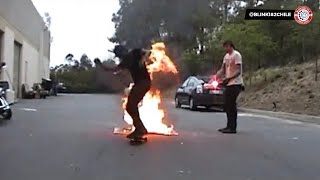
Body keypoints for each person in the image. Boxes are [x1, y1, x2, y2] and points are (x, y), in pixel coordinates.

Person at [94, 45, 151, 139]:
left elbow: (148, 52)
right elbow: (113, 70)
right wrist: (100, 64)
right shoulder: (125, 61)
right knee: (130, 107)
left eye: (119, 54)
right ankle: (139, 128)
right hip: (139, 84)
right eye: (118, 55)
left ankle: (140, 129)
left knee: (131, 106)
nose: (119, 57)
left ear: (122, 51)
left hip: (144, 83)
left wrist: (142, 59)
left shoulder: (134, 52)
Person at [216, 40, 244, 134]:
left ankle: (233, 128)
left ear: (230, 46)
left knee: (231, 105)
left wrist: (229, 78)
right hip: (228, 84)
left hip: (236, 83)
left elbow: (238, 71)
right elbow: (222, 68)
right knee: (227, 105)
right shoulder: (226, 56)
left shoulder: (236, 55)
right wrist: (217, 75)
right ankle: (228, 126)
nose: (225, 49)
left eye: (226, 47)